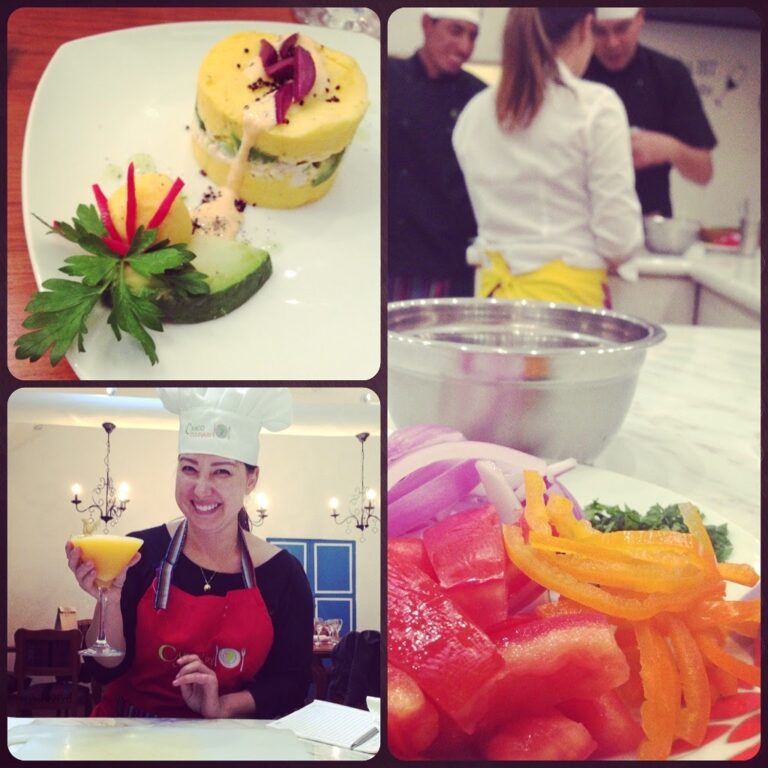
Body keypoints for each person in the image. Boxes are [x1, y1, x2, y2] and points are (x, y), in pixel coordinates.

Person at [65, 388, 314, 719]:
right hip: (130, 733)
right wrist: (108, 598)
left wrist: (222, 706)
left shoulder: (283, 573)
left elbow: (291, 682)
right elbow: (105, 669)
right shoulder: (139, 551)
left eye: (221, 471)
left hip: (229, 738)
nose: (200, 489)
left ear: (252, 479)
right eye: (189, 468)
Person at [453, 7, 642, 307]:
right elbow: (618, 239)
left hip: (492, 298)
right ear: (585, 27)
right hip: (567, 304)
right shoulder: (595, 107)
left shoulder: (473, 113)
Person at [388, 7, 487, 300]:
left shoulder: (480, 99)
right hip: (387, 256)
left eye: (473, 36)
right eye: (456, 31)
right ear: (426, 24)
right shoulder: (388, 78)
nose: (465, 47)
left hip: (448, 265)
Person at [584, 7, 717, 217]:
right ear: (585, 27)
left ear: (640, 19)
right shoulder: (574, 74)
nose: (612, 43)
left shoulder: (670, 75)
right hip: (581, 223)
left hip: (649, 222)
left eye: (622, 29)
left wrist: (669, 148)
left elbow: (704, 172)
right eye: (600, 32)